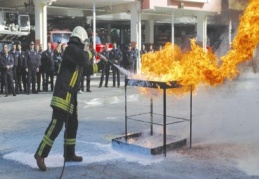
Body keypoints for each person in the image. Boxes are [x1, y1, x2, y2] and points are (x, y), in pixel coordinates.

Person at [34, 26, 91, 171]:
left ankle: (69, 154)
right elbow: (84, 59)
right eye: (85, 42)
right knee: (56, 125)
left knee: (72, 125)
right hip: (62, 94)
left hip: (71, 96)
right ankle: (40, 154)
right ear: (81, 40)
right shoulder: (71, 49)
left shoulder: (78, 54)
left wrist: (98, 61)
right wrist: (89, 52)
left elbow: (87, 68)